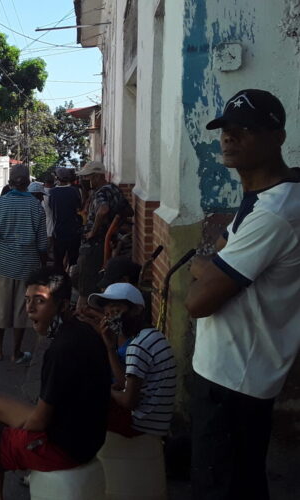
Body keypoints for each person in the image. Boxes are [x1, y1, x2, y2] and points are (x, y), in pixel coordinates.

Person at [183, 89, 300, 500]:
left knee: (225, 486)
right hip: (230, 373)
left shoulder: (273, 214)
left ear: (278, 137)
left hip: (234, 380)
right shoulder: (259, 202)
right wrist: (210, 265)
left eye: (246, 129)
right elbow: (215, 256)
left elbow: (197, 302)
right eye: (226, 129)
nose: (230, 137)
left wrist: (202, 266)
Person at [0, 269, 112, 500]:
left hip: (63, 448)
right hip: (87, 437)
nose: (29, 308)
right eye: (28, 300)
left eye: (40, 301)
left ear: (63, 306)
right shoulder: (84, 331)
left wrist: (13, 438)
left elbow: (39, 422)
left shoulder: (61, 350)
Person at [83, 283, 176, 439]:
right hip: (154, 422)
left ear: (137, 310)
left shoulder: (138, 346)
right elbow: (123, 382)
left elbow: (128, 402)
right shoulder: (151, 335)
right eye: (107, 313)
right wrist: (110, 347)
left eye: (116, 310)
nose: (111, 317)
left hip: (140, 424)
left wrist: (105, 390)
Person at [0, 164, 48, 363]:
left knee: (0, 307)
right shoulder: (36, 206)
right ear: (28, 183)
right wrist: (43, 270)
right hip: (28, 267)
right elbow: (42, 244)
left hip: (3, 265)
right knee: (22, 309)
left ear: (10, 183)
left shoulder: (0, 203)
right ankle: (16, 353)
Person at [75, 161, 127, 311]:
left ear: (97, 176)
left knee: (85, 286)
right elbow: (128, 212)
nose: (85, 181)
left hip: (95, 245)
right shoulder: (114, 190)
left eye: (88, 177)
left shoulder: (101, 193)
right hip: (108, 243)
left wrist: (94, 231)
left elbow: (103, 209)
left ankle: (83, 316)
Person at [50, 168, 83, 272]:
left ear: (58, 178)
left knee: (58, 262)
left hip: (58, 232)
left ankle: (59, 283)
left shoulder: (53, 192)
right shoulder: (75, 191)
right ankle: (72, 281)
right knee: (73, 261)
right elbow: (79, 207)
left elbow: (51, 207)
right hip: (74, 231)